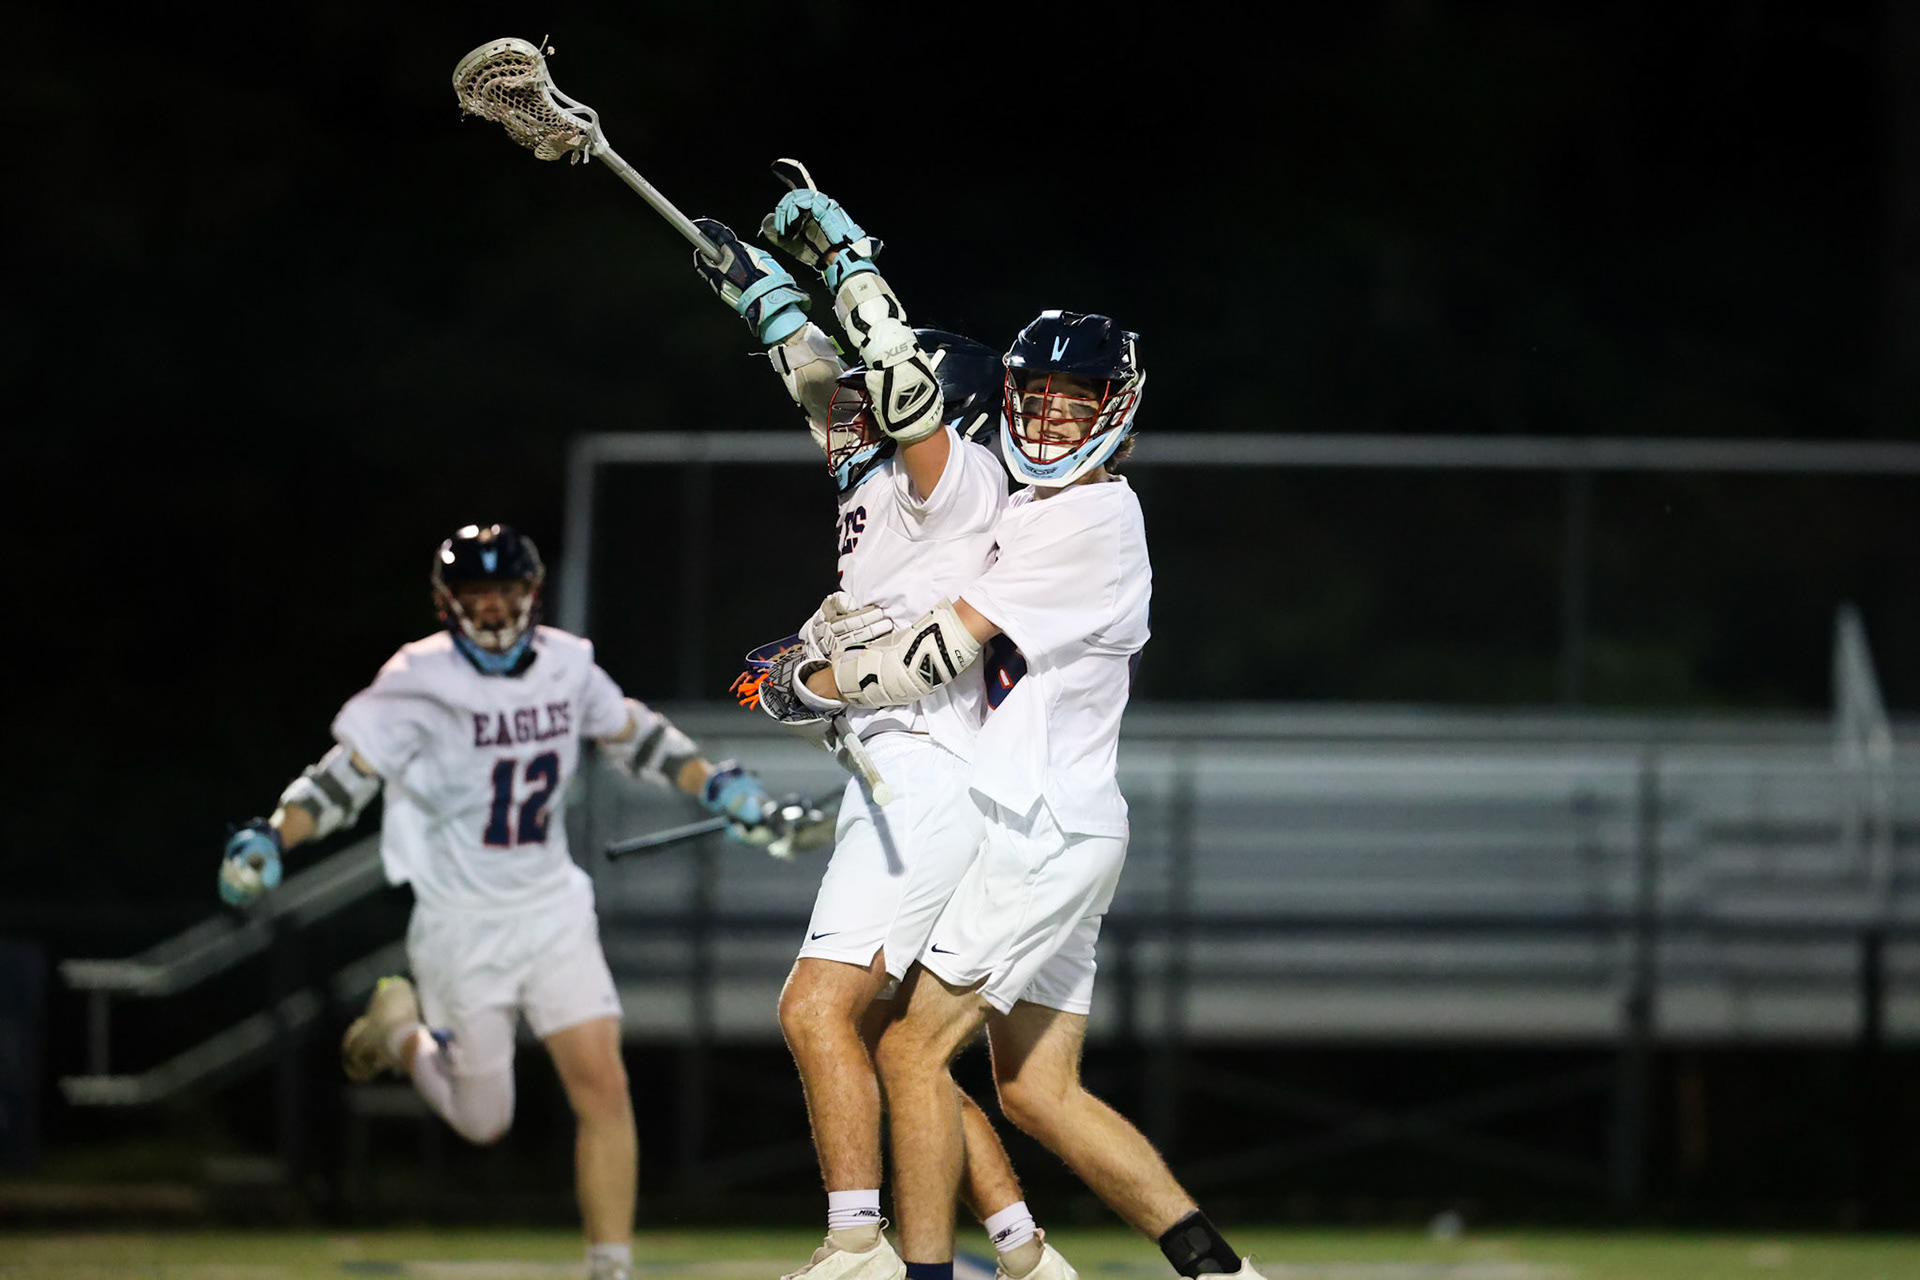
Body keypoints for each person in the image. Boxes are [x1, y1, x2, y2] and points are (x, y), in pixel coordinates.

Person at [777, 313, 1266, 1280]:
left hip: (1033, 821)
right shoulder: (1025, 503)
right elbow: (905, 443)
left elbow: (940, 650)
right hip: (1060, 822)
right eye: (1034, 402)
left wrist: (813, 682)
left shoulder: (1093, 516)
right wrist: (794, 335)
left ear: (1115, 413)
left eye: (1071, 404)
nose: (1046, 423)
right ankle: (1218, 1272)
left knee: (911, 1054)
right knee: (1040, 1093)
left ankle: (917, 1274)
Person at [216, 524, 780, 1280]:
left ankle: (609, 1268)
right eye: (476, 596)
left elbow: (637, 736)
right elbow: (342, 780)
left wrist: (716, 782)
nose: (491, 610)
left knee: (604, 1085)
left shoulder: (567, 664)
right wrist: (273, 838)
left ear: (531, 595)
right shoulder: (419, 678)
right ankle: (407, 1032)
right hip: (460, 922)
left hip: (551, 906)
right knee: (486, 1121)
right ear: (448, 603)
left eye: (504, 593)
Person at [689, 179, 1070, 1280]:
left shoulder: (948, 475)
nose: (847, 410)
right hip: (926, 778)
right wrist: (759, 299)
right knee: (909, 1046)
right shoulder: (896, 489)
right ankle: (1027, 1253)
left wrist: (849, 265)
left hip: (930, 781)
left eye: (877, 401)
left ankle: (857, 1242)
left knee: (816, 1010)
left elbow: (888, 390)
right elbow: (823, 380)